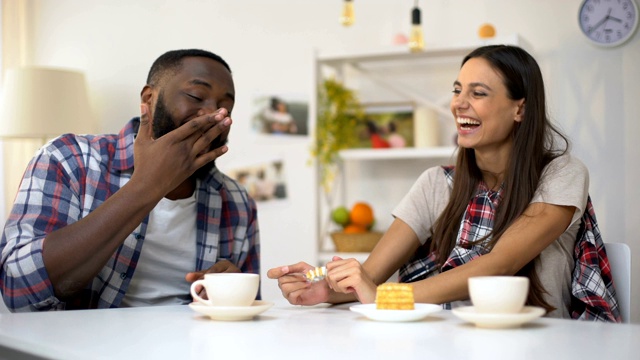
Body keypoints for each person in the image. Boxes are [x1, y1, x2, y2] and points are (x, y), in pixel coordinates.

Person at [268, 45, 620, 322]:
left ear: (520, 110)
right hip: (447, 342)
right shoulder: (436, 183)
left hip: (539, 344)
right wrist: (325, 290)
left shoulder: (562, 174)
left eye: (478, 93)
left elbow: (497, 265)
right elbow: (371, 276)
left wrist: (384, 296)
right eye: (457, 90)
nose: (459, 104)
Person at [0, 49, 260, 312]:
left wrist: (231, 292)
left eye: (225, 106)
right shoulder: (68, 160)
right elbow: (17, 289)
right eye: (196, 96)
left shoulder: (237, 200)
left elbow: (249, 311)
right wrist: (146, 186)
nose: (215, 115)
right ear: (150, 98)